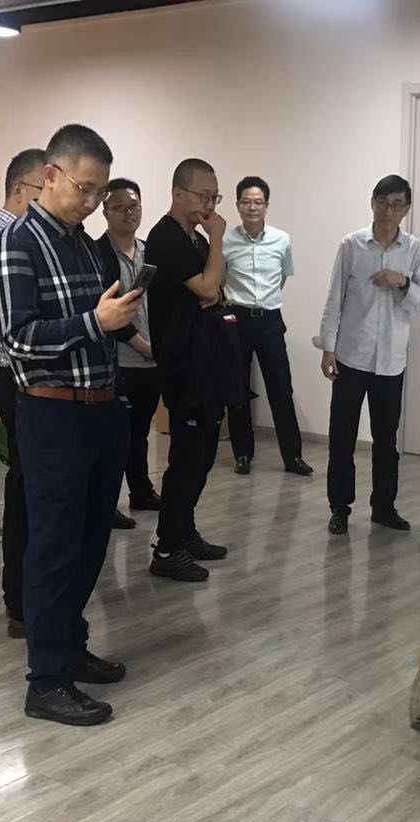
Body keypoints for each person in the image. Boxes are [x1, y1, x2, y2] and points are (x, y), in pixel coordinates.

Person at [0, 123, 142, 726]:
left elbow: (99, 320)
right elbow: (18, 340)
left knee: (91, 539)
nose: (93, 202)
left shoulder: (83, 244)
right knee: (53, 547)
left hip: (101, 408)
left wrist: (116, 318)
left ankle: (71, 647)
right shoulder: (16, 244)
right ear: (50, 175)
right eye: (85, 188)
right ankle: (46, 680)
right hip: (51, 412)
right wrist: (95, 322)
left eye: (101, 191)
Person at [316, 174, 420, 534]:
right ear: (372, 203)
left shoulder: (414, 250)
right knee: (342, 438)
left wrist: (403, 282)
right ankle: (340, 508)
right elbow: (334, 297)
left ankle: (384, 506)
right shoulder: (352, 245)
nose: (389, 210)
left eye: (397, 204)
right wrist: (328, 348)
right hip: (351, 356)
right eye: (383, 202)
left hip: (391, 361)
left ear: (406, 209)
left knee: (386, 440)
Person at [145, 158, 241, 583]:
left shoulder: (196, 240)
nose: (210, 205)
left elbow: (216, 290)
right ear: (178, 193)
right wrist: (217, 238)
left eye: (215, 197)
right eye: (204, 196)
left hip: (207, 361)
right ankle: (167, 548)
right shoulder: (166, 237)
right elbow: (205, 286)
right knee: (185, 460)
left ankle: (184, 532)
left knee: (203, 456)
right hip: (182, 365)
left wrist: (210, 274)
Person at [0, 147, 45, 639]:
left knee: (28, 491)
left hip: (21, 379)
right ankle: (19, 600)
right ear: (20, 189)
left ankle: (24, 595)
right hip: (18, 380)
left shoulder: (8, 236)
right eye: (46, 188)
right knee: (24, 493)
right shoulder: (4, 240)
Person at [221, 176, 312, 478]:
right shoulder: (225, 241)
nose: (252, 207)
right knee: (237, 388)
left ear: (266, 206)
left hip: (270, 319)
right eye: (246, 202)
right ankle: (243, 453)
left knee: (281, 388)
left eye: (258, 202)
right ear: (237, 205)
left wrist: (264, 300)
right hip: (237, 319)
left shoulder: (282, 239)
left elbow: (282, 277)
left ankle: (293, 456)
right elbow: (220, 279)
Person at [97, 178, 161, 517]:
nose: (128, 213)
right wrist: (143, 346)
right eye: (119, 207)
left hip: (152, 361)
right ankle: (107, 504)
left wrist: (155, 348)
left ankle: (141, 491)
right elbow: (108, 312)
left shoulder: (151, 252)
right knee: (115, 437)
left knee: (140, 433)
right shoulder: (97, 254)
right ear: (105, 211)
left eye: (133, 206)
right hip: (118, 360)